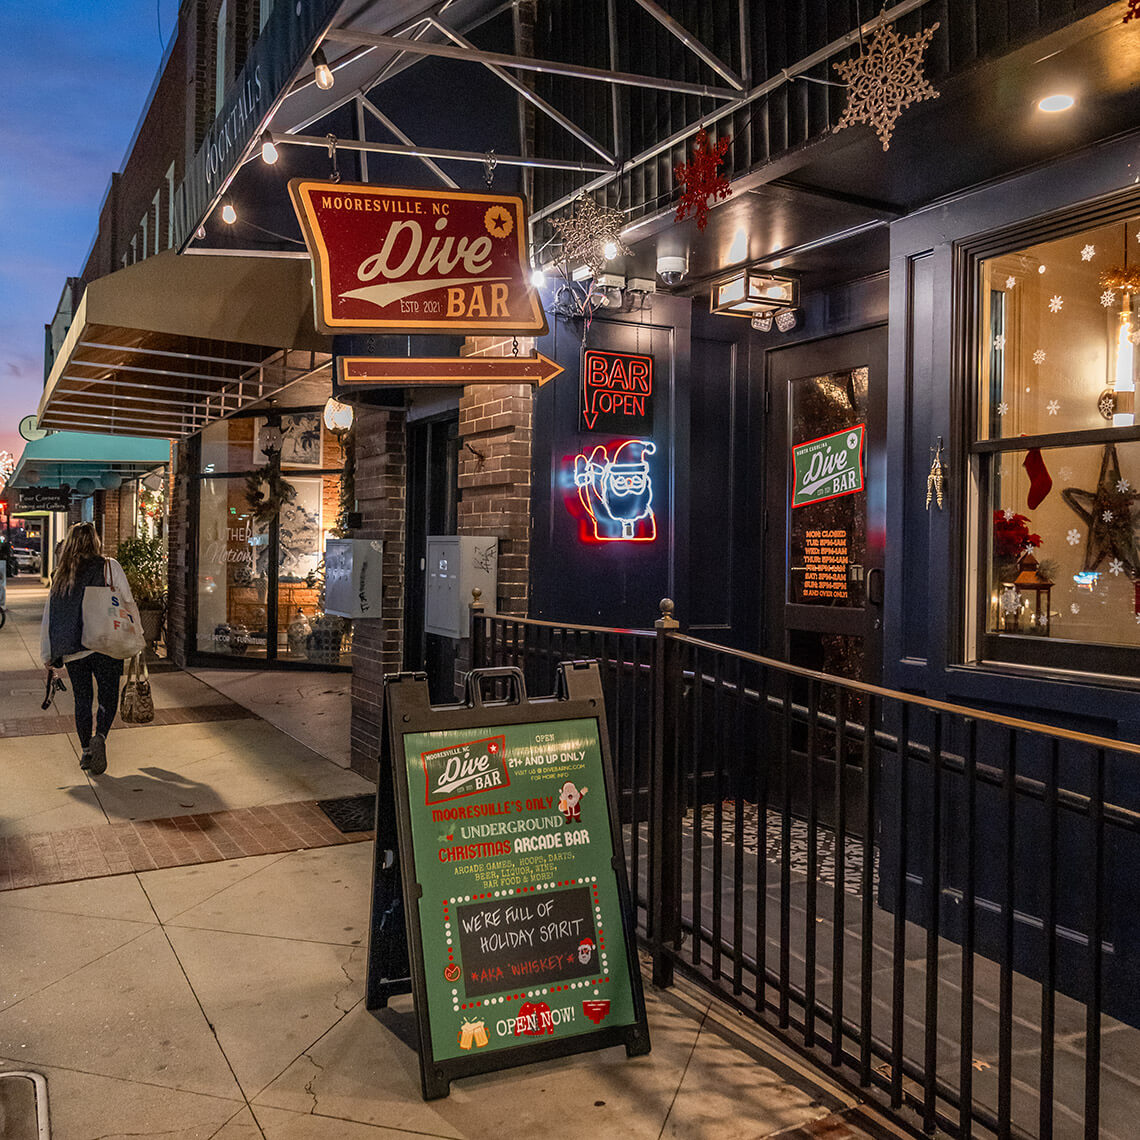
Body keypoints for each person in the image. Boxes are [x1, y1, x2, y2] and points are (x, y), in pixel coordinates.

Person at [40, 522, 137, 775]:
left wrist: (48, 652)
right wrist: (135, 634)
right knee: (108, 696)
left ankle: (85, 751)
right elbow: (127, 601)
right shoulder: (109, 567)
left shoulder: (61, 573)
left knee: (82, 699)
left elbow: (51, 615)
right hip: (106, 643)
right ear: (95, 541)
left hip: (74, 647)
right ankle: (100, 736)